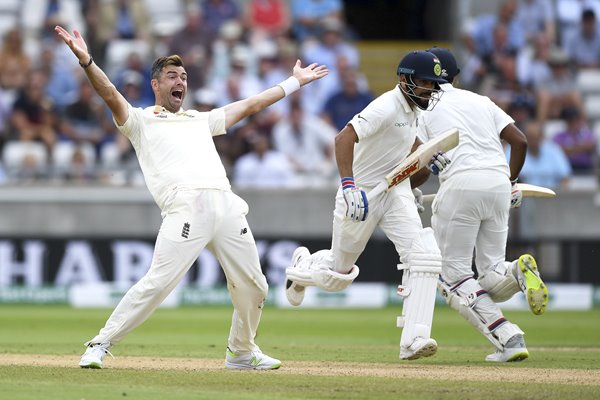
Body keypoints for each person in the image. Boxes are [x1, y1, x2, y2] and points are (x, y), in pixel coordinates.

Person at [54, 24, 328, 370]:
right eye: (171, 76)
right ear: (155, 85)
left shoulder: (200, 119)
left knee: (255, 286)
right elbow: (109, 93)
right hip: (184, 208)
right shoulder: (139, 121)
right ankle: (100, 343)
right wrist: (87, 61)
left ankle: (241, 352)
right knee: (158, 283)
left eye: (183, 76)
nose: (180, 81)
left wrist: (294, 82)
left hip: (226, 205)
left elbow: (251, 105)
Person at [284, 50, 451, 360]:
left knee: (424, 254)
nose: (431, 90)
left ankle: (414, 339)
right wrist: (348, 186)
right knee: (338, 278)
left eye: (434, 84)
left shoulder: (415, 110)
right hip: (361, 193)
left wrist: (428, 154)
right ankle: (301, 268)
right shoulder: (386, 106)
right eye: (426, 82)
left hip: (394, 190)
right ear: (405, 79)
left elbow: (409, 144)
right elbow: (343, 138)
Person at [417, 47, 549, 363]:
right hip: (498, 183)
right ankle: (517, 270)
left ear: (427, 78)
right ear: (456, 76)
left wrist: (408, 191)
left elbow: (419, 163)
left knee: (453, 277)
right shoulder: (482, 101)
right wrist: (510, 181)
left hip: (460, 185)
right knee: (490, 271)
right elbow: (520, 141)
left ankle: (509, 337)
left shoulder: (423, 108)